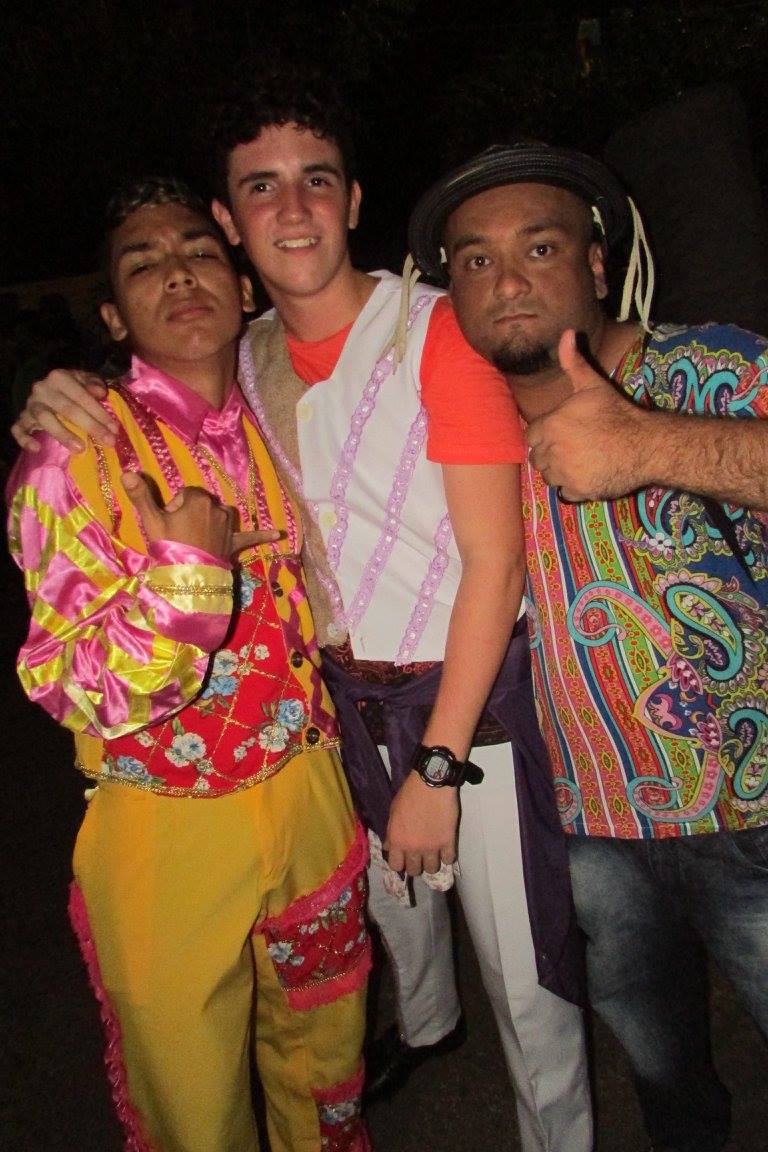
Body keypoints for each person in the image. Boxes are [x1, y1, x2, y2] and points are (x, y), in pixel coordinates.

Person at [10, 73, 592, 1152]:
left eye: (315, 181)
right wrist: (67, 403)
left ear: (352, 200)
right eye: (259, 189)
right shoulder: (173, 397)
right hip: (265, 767)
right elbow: (70, 662)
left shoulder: (395, 342)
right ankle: (425, 1033)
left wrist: (437, 769)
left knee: (483, 1003)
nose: (291, 211)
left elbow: (495, 561)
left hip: (427, 732)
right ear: (231, 224)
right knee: (263, 1051)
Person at [407, 140, 768, 1152]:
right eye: (475, 260)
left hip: (757, 813)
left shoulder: (704, 368)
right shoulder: (464, 439)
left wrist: (651, 445)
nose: (507, 280)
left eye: (540, 246)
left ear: (597, 264)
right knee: (664, 1080)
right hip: (594, 831)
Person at [7, 177, 371, 1152]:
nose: (177, 274)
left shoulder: (280, 410)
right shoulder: (72, 457)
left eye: (199, 252)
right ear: (112, 317)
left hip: (307, 789)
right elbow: (67, 681)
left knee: (326, 1066)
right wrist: (186, 583)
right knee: (196, 1114)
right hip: (167, 825)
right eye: (144, 264)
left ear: (245, 288)